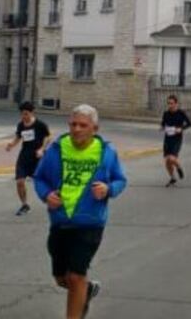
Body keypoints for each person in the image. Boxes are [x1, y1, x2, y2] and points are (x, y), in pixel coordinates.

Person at [34, 104, 128, 319]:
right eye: (73, 124)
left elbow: (120, 180)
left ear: (95, 128)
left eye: (82, 125)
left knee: (76, 276)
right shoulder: (57, 149)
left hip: (90, 223)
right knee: (61, 278)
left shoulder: (106, 152)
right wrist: (46, 195)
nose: (76, 129)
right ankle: (86, 290)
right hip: (60, 221)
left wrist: (108, 189)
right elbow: (40, 178)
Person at [5, 101, 52, 216]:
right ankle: (24, 205)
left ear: (32, 113)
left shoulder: (39, 124)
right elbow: (18, 136)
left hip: (37, 157)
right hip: (24, 156)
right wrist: (11, 144)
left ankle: (53, 199)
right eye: (22, 114)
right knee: (20, 181)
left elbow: (48, 136)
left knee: (44, 181)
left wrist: (42, 149)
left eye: (26, 114)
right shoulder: (21, 125)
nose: (24, 116)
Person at [160, 95, 191, 187]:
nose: (170, 105)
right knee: (167, 161)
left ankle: (179, 167)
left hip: (177, 138)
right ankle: (172, 178)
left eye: (172, 103)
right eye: (168, 103)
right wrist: (162, 127)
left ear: (176, 103)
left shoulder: (181, 113)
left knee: (172, 158)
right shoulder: (166, 113)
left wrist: (181, 129)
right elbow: (163, 123)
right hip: (167, 138)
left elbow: (189, 124)